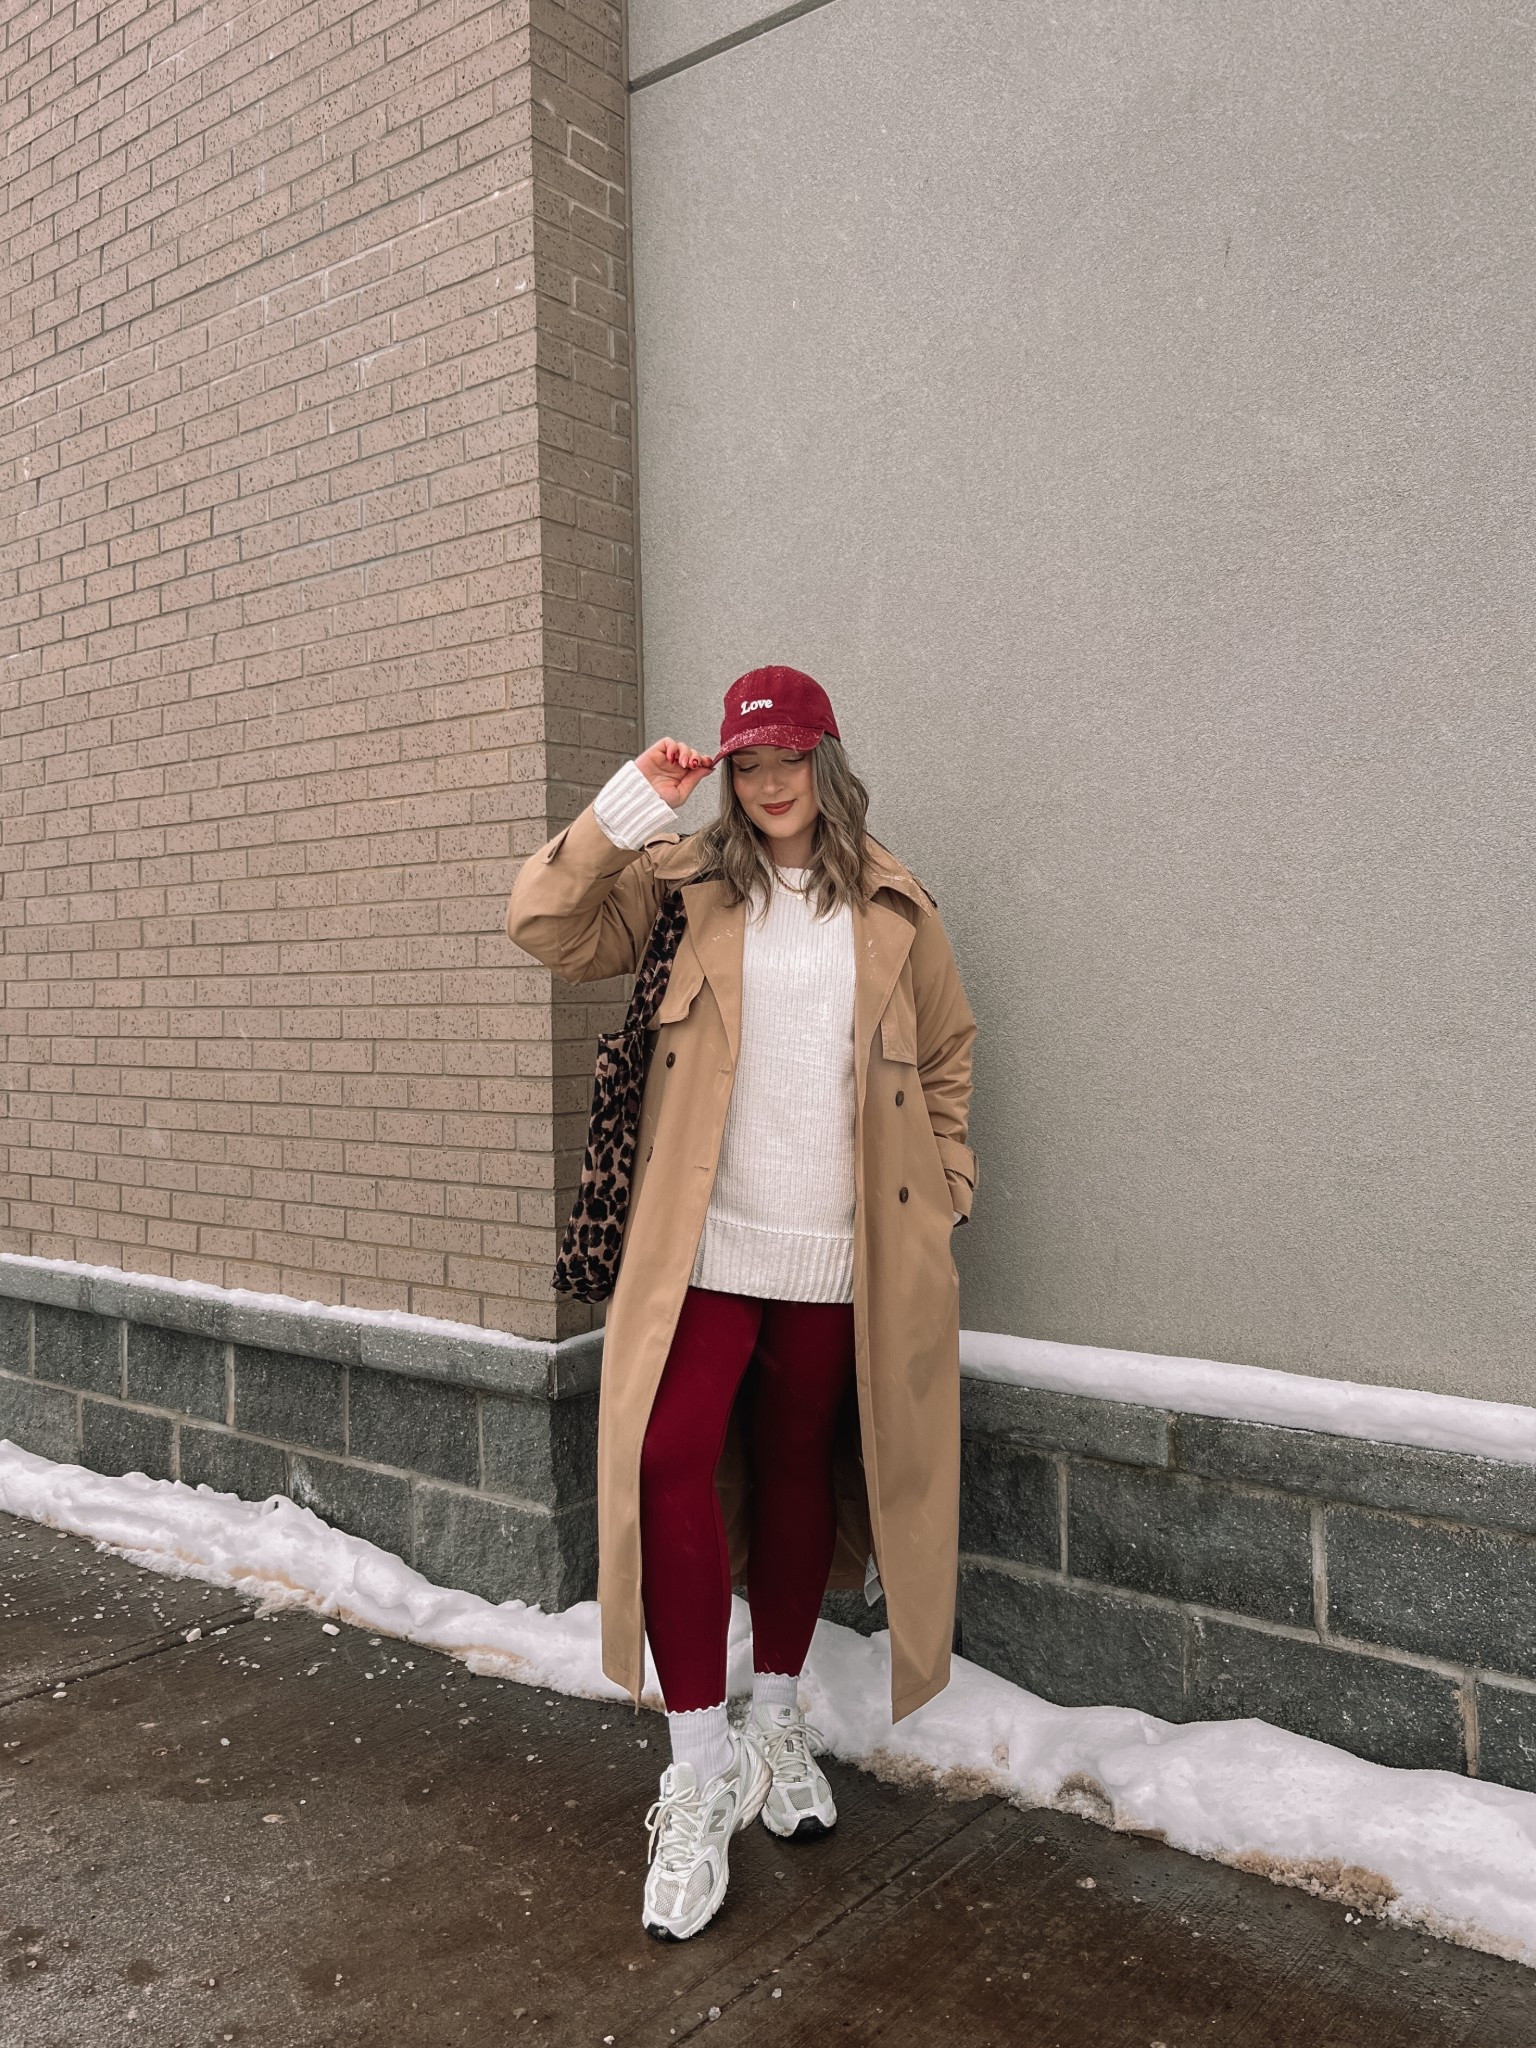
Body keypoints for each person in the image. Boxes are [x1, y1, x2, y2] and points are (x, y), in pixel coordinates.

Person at [505, 665, 978, 1941]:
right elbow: (545, 925)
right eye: (745, 764)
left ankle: (777, 1715)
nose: (768, 786)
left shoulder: (894, 906)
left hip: (839, 1253)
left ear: (827, 761)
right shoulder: (681, 888)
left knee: (790, 1476)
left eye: (789, 760)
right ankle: (698, 1765)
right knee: (665, 1458)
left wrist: (948, 1189)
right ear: (725, 773)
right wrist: (624, 809)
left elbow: (944, 1058)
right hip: (706, 1246)